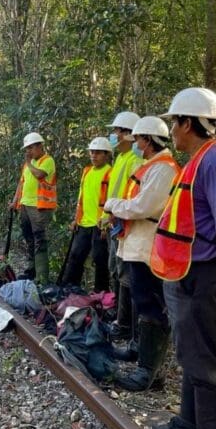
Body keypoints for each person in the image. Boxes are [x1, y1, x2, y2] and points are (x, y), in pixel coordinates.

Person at [150, 88, 216, 429]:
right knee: (190, 350)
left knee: (202, 359)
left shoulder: (215, 162)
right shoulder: (199, 158)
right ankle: (189, 423)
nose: (172, 130)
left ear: (188, 122)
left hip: (201, 274)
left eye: (174, 122)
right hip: (185, 273)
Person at [103, 116, 179, 391]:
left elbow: (142, 206)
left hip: (149, 245)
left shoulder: (164, 169)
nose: (134, 143)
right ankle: (139, 352)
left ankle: (149, 372)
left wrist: (114, 205)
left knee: (150, 304)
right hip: (138, 242)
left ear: (147, 140)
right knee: (140, 301)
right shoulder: (152, 167)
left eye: (137, 139)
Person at [99, 111, 143, 340]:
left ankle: (125, 325)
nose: (114, 135)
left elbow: (133, 197)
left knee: (125, 275)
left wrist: (115, 216)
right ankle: (119, 317)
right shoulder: (121, 159)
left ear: (128, 134)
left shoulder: (135, 161)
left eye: (117, 131)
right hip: (115, 223)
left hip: (125, 226)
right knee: (115, 271)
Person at [60, 137, 112, 291]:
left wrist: (105, 224)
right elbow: (81, 197)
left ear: (107, 154)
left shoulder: (110, 172)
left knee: (100, 260)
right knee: (76, 256)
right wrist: (76, 219)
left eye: (98, 153)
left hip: (99, 224)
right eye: (92, 152)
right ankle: (70, 289)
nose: (94, 156)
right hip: (83, 222)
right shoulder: (87, 171)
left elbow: (111, 199)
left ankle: (101, 293)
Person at [11, 132, 57, 286]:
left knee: (39, 240)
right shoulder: (28, 164)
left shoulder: (47, 161)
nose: (28, 151)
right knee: (29, 239)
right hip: (25, 205)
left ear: (39, 146)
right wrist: (15, 201)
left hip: (39, 208)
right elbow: (21, 183)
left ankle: (42, 277)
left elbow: (39, 175)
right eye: (27, 148)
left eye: (31, 147)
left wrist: (29, 163)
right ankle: (32, 271)